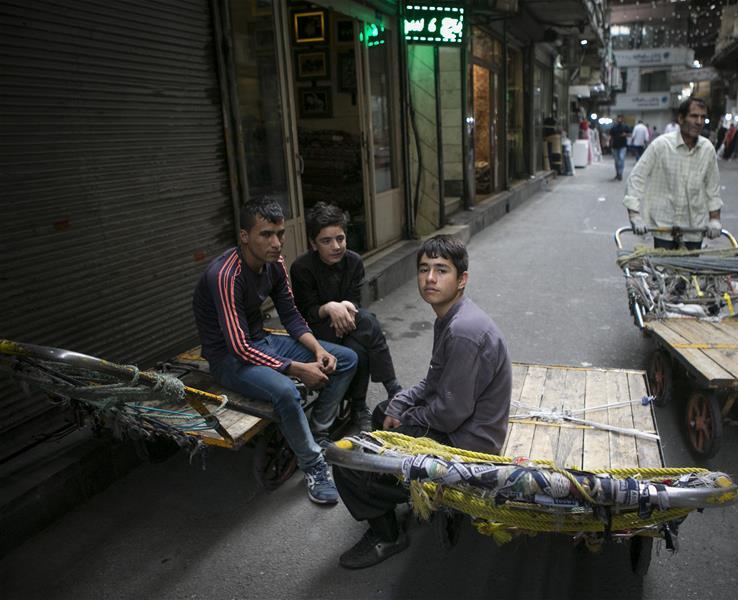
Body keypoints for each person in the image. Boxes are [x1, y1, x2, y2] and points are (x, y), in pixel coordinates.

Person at [334, 235, 512, 569]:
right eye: (424, 269)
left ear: (462, 279)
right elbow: (433, 383)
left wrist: (406, 417)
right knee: (383, 412)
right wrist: (399, 405)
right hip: (459, 424)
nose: (430, 278)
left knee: (348, 465)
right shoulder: (451, 316)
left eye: (441, 270)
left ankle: (388, 535)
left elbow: (447, 415)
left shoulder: (463, 331)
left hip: (466, 443)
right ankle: (398, 493)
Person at [193, 199, 358, 505]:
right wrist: (297, 368)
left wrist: (318, 349)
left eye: (280, 233)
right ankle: (314, 466)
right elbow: (238, 347)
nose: (277, 242)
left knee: (346, 359)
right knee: (285, 391)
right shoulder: (226, 276)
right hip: (228, 358)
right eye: (266, 234)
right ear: (244, 236)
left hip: (262, 340)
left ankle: (317, 430)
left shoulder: (275, 264)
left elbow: (292, 317)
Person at [290, 202, 403, 433]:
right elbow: (305, 313)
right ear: (313, 243)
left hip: (350, 326)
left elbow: (355, 301)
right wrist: (329, 308)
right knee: (368, 322)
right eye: (326, 241)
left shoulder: (354, 261)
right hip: (315, 333)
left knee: (358, 348)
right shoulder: (301, 268)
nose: (336, 246)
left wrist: (344, 307)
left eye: (340, 238)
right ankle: (392, 389)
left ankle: (358, 408)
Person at [623, 96, 723, 250]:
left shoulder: (707, 149)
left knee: (690, 272)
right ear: (681, 118)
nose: (699, 122)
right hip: (663, 226)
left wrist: (715, 219)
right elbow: (637, 178)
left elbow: (713, 187)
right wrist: (634, 215)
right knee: (664, 272)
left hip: (694, 226)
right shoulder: (661, 145)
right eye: (694, 116)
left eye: (703, 117)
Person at [609, 114, 631, 181]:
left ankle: (620, 173)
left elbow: (630, 134)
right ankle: (617, 174)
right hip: (615, 146)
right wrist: (609, 144)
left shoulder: (626, 126)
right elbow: (611, 136)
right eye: (618, 118)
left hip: (623, 146)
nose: (619, 120)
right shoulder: (614, 127)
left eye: (620, 118)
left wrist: (625, 134)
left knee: (621, 159)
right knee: (616, 161)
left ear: (623, 119)